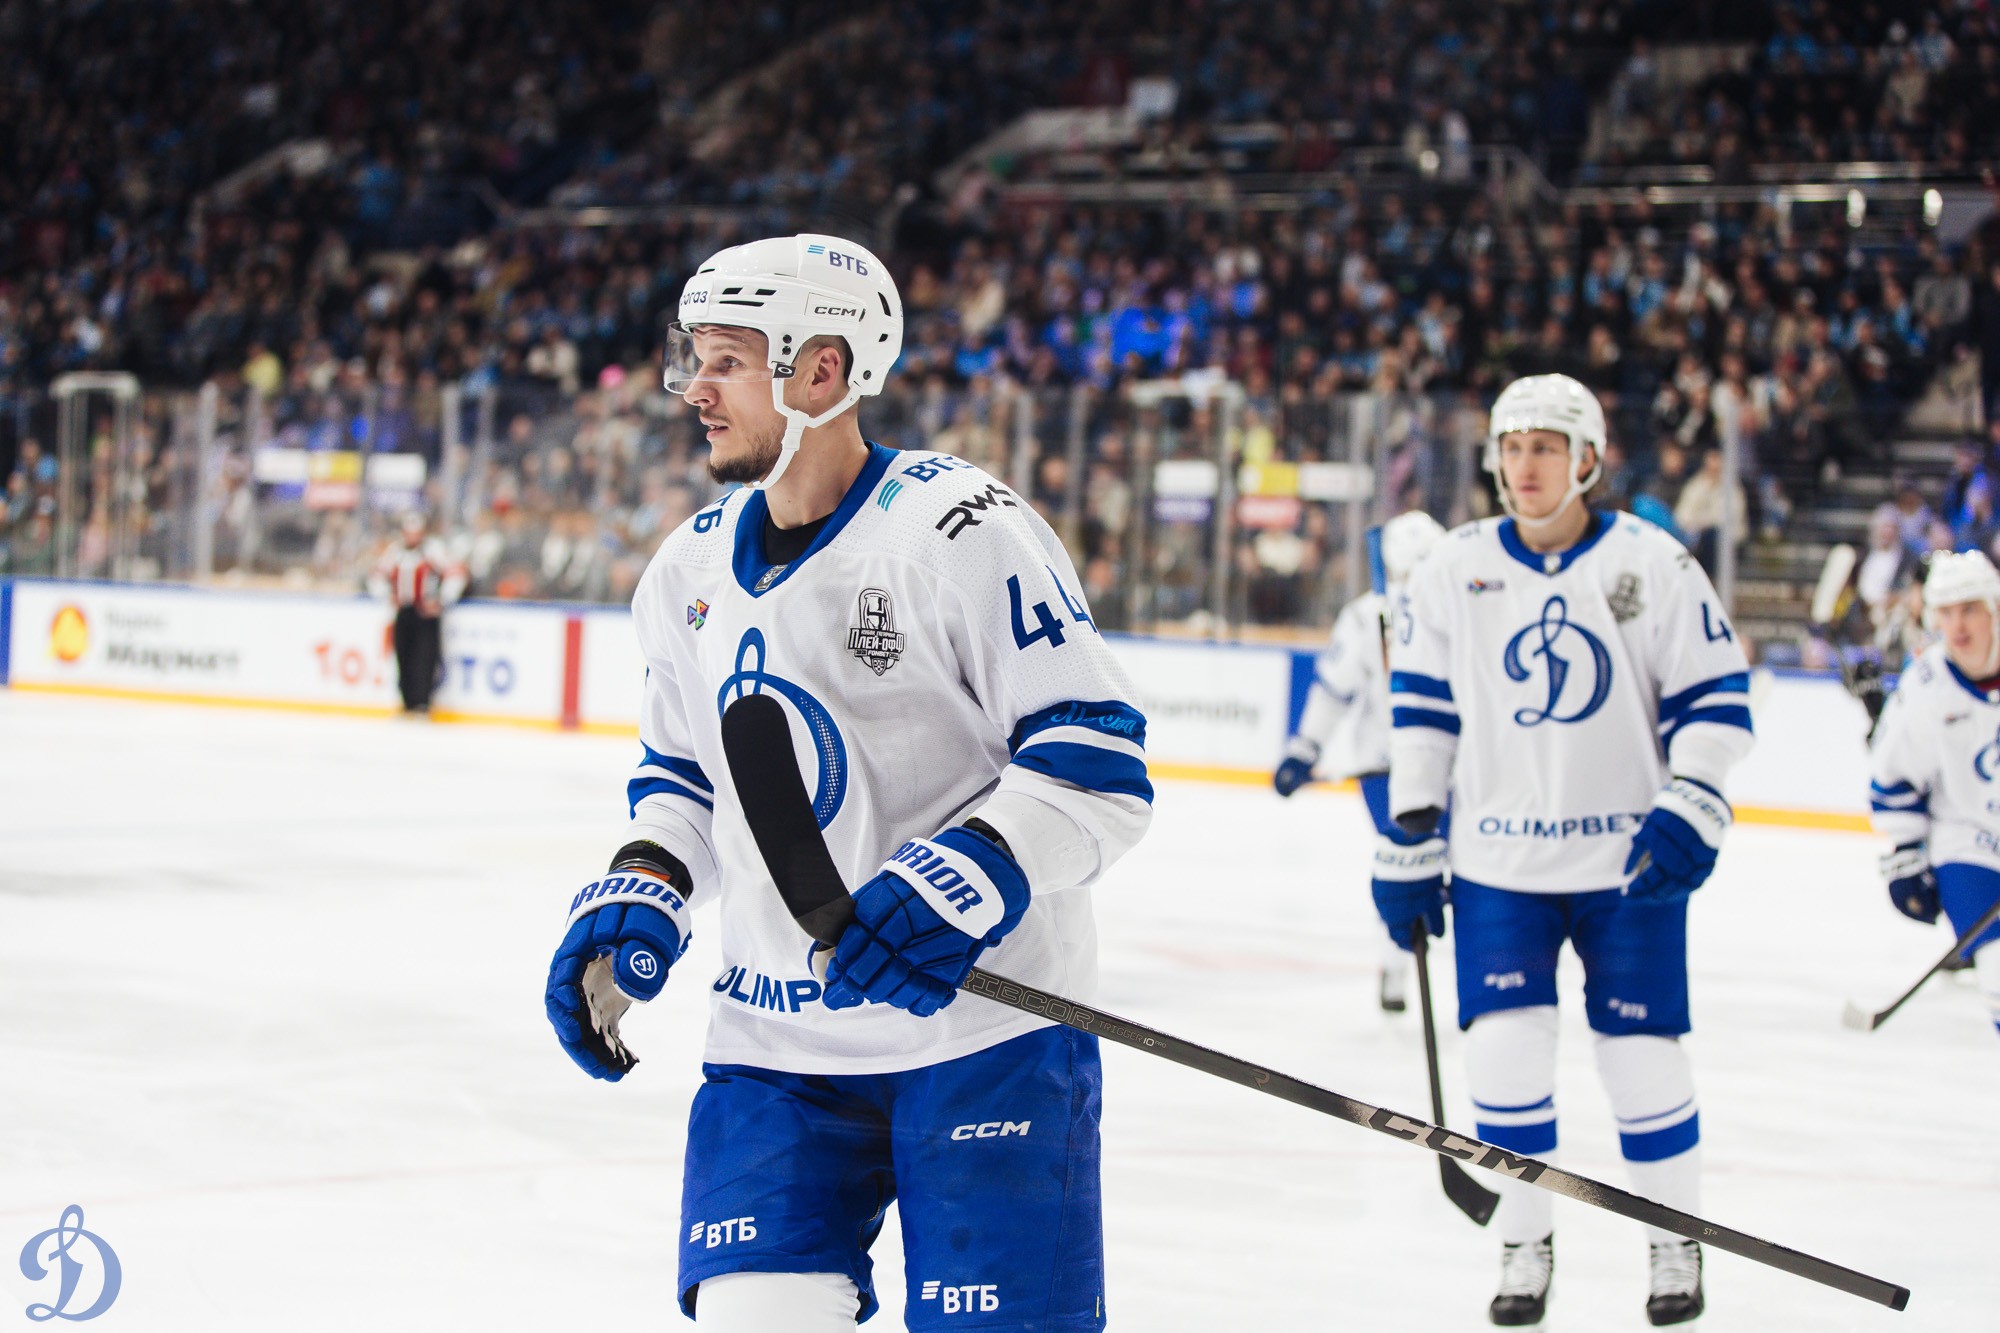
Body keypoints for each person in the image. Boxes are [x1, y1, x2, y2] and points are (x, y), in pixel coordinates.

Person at [541, 234, 1151, 1332]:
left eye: (726, 362)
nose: (694, 390)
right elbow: (684, 778)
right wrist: (649, 881)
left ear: (821, 371)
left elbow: (1096, 761)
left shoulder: (961, 531)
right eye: (692, 359)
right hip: (774, 1046)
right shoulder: (685, 572)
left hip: (982, 1036)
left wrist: (966, 875)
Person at [1386, 373, 1754, 1328]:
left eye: (1545, 447)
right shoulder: (1454, 567)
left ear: (1587, 459)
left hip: (1629, 867)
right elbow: (1421, 710)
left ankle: (1674, 1236)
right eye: (1511, 448)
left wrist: (1695, 795)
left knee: (1643, 1058)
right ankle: (1524, 1240)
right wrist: (1412, 829)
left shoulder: (1653, 563)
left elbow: (1716, 698)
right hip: (1497, 867)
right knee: (1503, 1060)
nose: (1525, 466)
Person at [1274, 510, 1447, 1012]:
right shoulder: (1368, 617)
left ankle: (1409, 961)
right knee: (1407, 863)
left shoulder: (1455, 608)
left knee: (1430, 866)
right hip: (1391, 769)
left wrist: (1305, 749)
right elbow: (1334, 690)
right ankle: (1396, 963)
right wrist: (1305, 748)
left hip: (1434, 766)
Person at [1867, 550, 2000, 1038]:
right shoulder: (1925, 687)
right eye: (1946, 612)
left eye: (1969, 609)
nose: (1957, 626)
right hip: (1967, 842)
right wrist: (1906, 854)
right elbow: (1893, 776)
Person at [367, 510, 464, 714]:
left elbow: (456, 574)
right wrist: (387, 596)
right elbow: (376, 576)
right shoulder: (395, 551)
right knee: (403, 656)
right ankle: (407, 701)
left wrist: (442, 600)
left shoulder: (433, 549)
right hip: (403, 611)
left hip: (425, 614)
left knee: (425, 658)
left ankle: (422, 701)